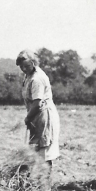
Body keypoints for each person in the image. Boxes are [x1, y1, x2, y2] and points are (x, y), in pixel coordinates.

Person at [16, 50, 60, 182]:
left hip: (43, 116)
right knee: (35, 149)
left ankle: (44, 184)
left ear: (33, 63)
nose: (24, 69)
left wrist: (28, 117)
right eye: (21, 66)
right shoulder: (29, 76)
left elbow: (37, 103)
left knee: (44, 151)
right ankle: (35, 181)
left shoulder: (37, 78)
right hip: (36, 116)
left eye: (27, 66)